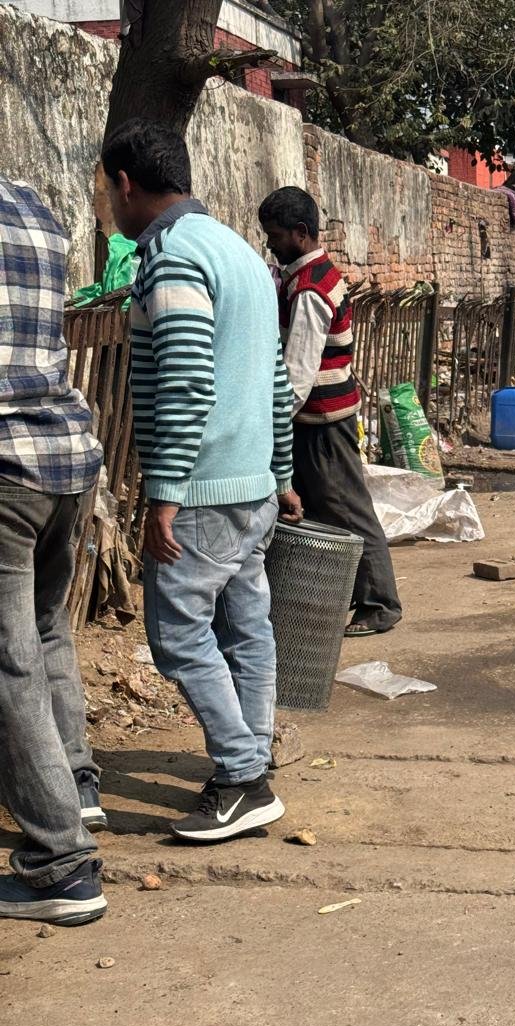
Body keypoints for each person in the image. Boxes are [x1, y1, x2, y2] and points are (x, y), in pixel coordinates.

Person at [102, 119, 300, 842]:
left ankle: (244, 777)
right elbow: (275, 381)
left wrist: (163, 494)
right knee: (247, 627)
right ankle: (253, 754)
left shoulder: (173, 257)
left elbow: (185, 384)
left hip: (204, 491)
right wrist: (282, 472)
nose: (109, 204)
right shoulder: (242, 254)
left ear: (126, 183)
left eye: (108, 189)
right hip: (252, 486)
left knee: (178, 636)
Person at [0, 179, 108, 924]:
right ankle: (76, 786)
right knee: (44, 630)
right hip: (65, 456)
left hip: (6, 463)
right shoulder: (33, 205)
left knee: (9, 662)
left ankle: (60, 865)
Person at [258, 187, 403, 637]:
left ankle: (380, 603)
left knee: (345, 509)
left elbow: (297, 374)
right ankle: (339, 596)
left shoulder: (309, 289)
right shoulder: (311, 275)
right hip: (323, 415)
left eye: (275, 236)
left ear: (301, 233)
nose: (271, 245)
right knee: (321, 510)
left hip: (322, 419)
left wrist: (274, 421)